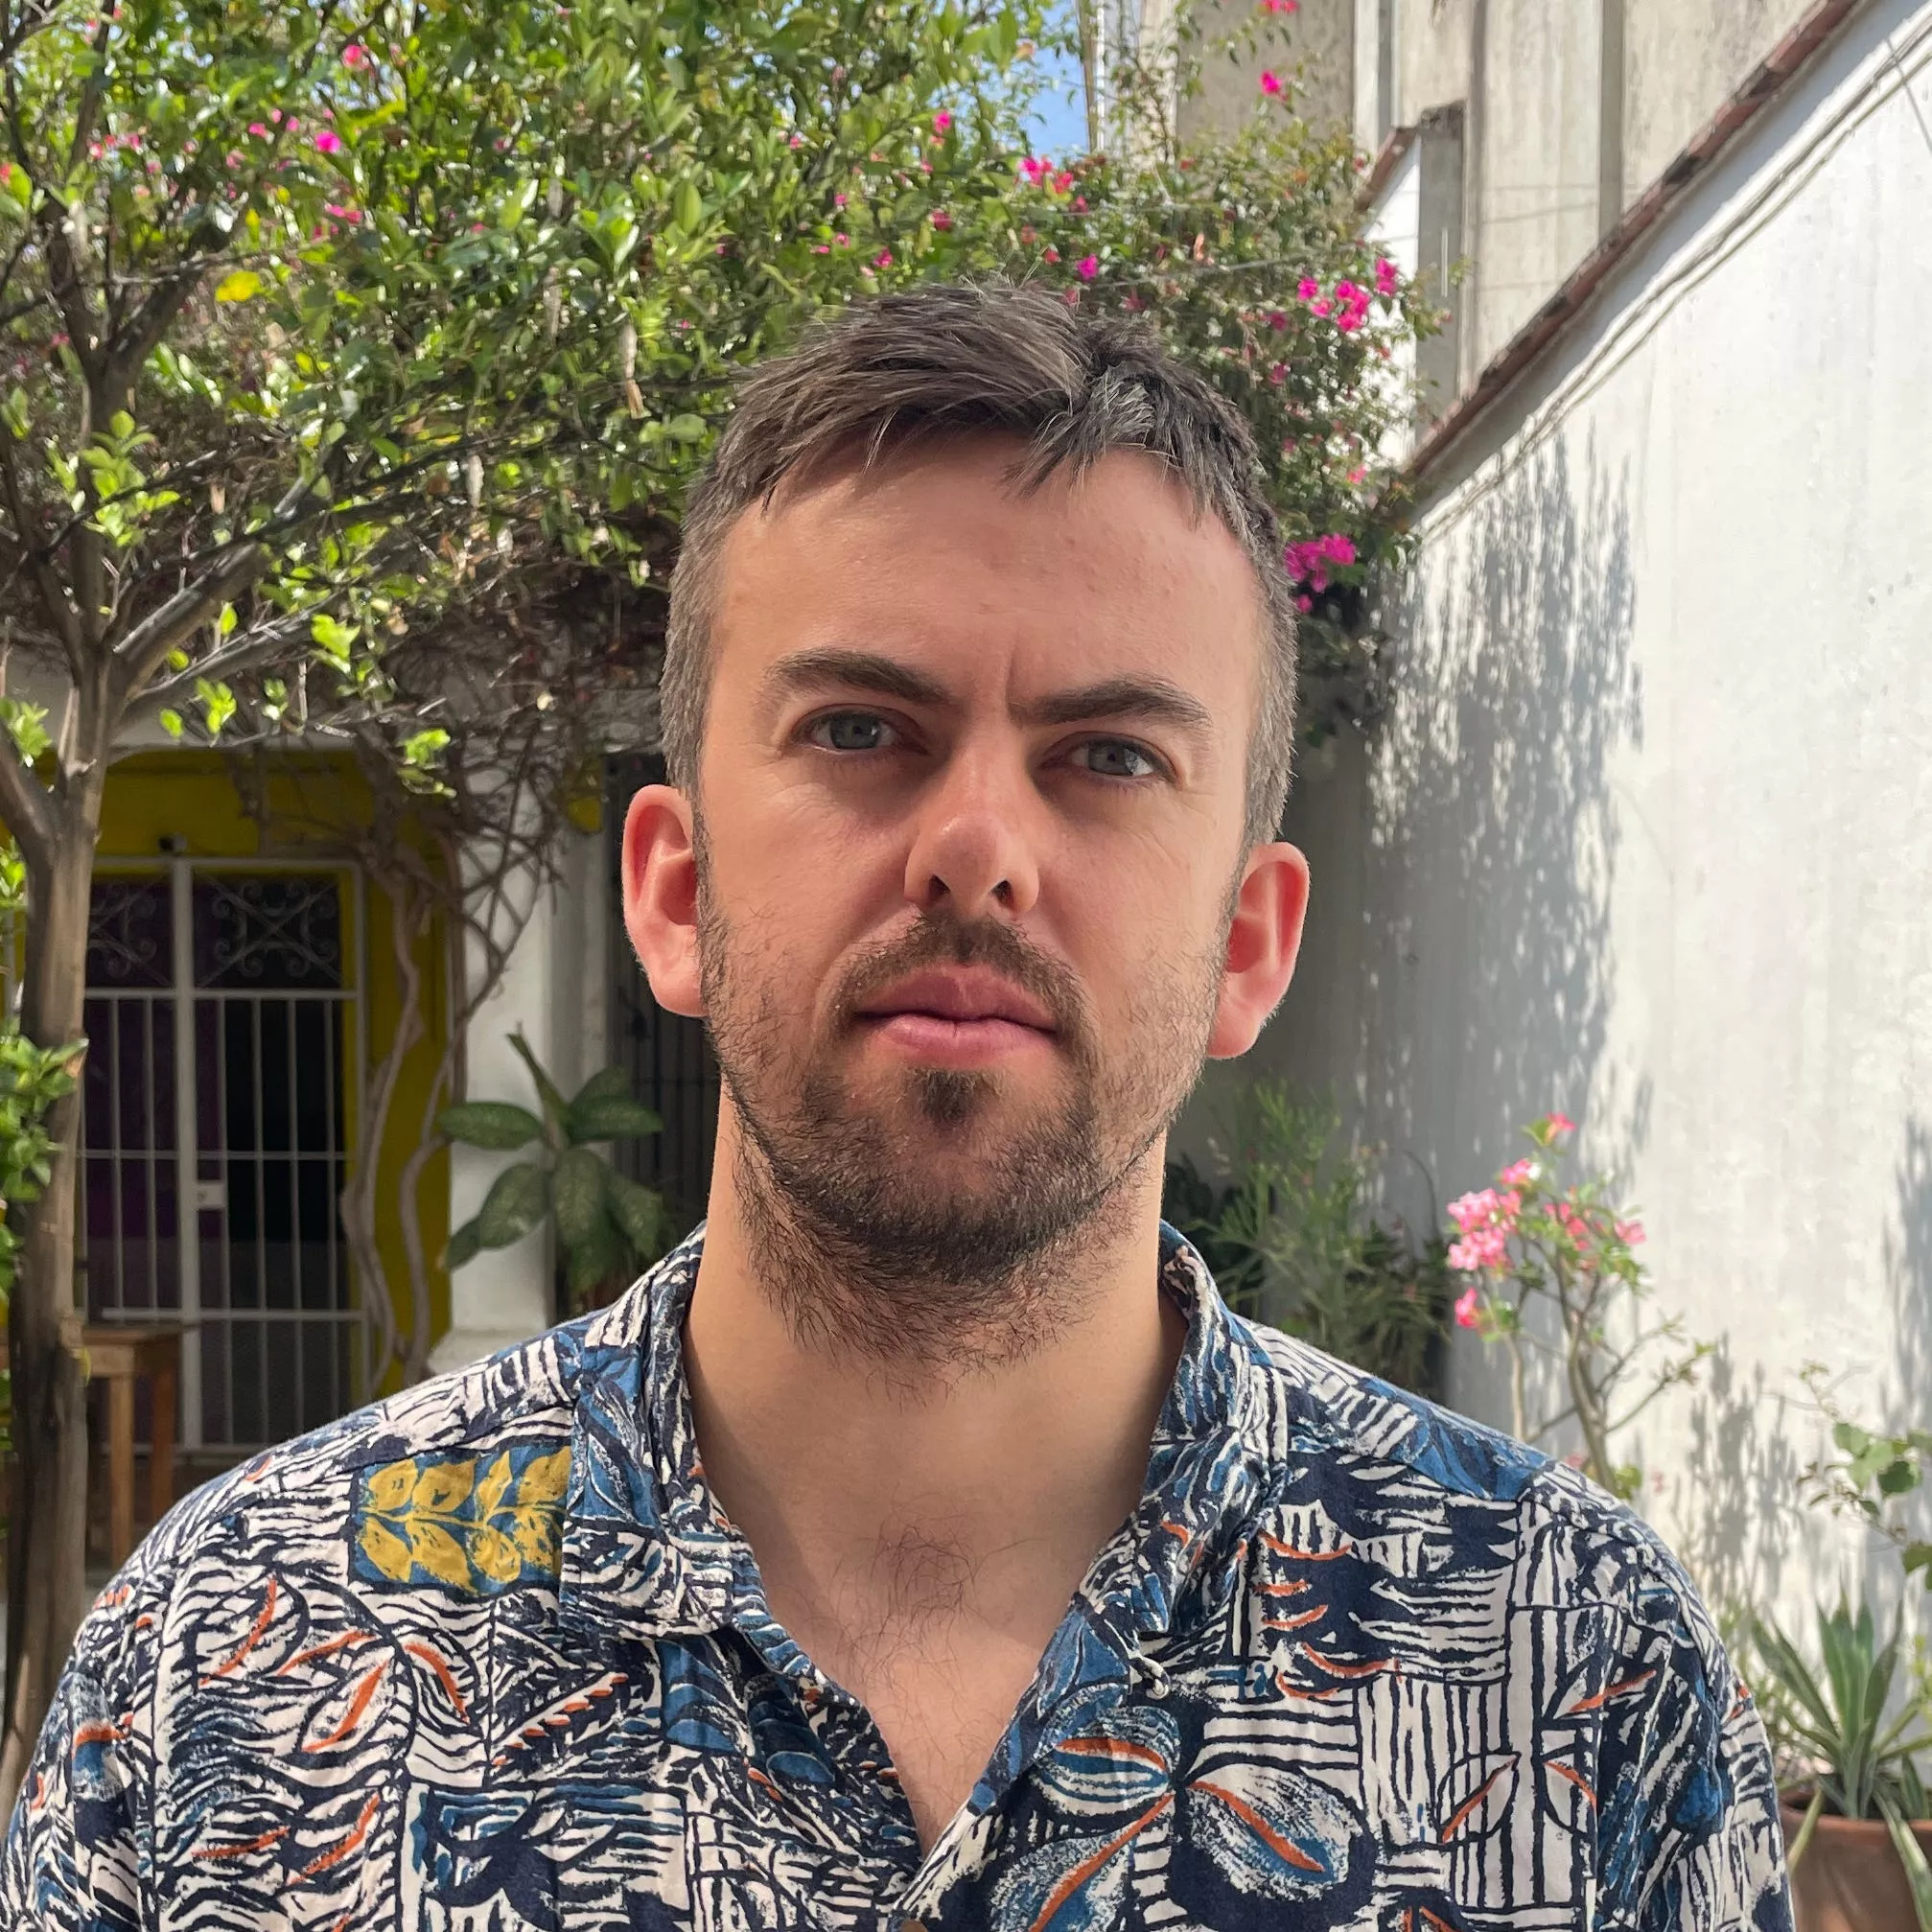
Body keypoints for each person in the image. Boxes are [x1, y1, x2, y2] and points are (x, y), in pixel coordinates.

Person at [1, 283, 1790, 1931]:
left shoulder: (1572, 1672)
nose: (977, 851)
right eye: (863, 729)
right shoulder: (237, 1667)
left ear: (1248, 944)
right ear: (674, 890)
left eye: (1108, 757)